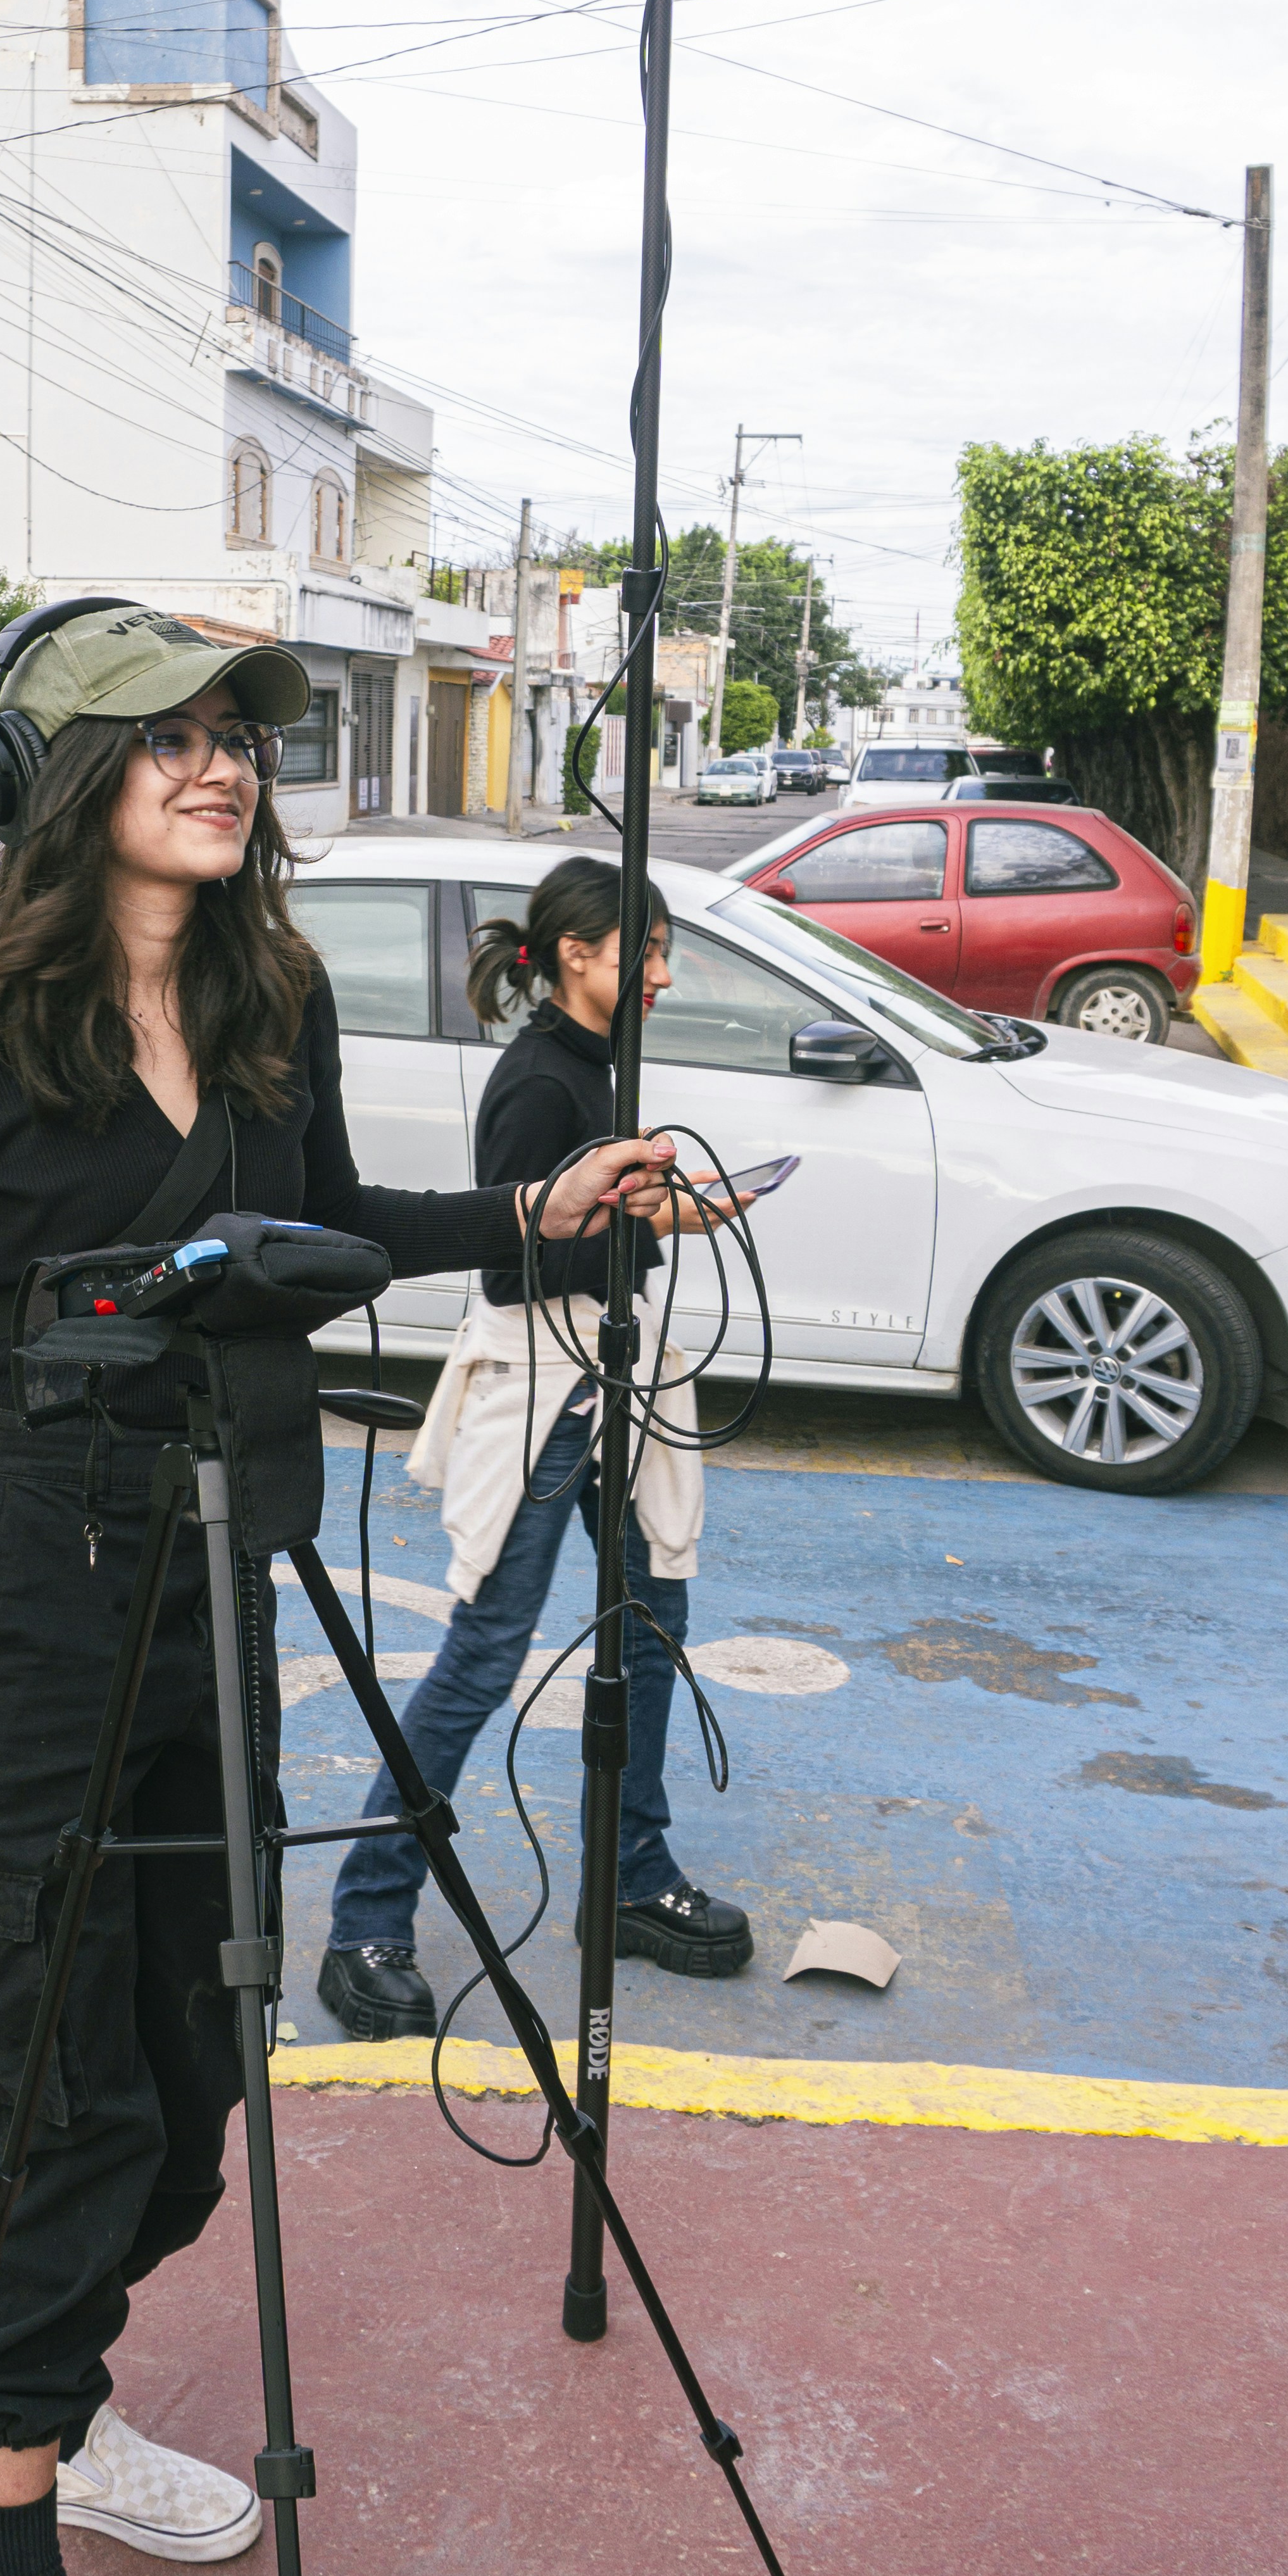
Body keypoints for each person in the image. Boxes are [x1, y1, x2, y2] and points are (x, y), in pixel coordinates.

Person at [0, 601, 673, 2576]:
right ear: (63, 776)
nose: (222, 764)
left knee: (177, 2060)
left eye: (239, 735)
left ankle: (65, 2391)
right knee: (43, 2098)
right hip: (2, 1608)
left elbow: (322, 1226)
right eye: (166, 736)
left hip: (203, 1582)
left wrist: (537, 1213)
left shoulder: (270, 1006)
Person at [316, 854, 754, 2045]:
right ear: (574, 956)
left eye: (664, 954)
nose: (660, 976)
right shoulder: (538, 1080)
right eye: (643, 953)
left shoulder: (607, 1067)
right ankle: (367, 1914)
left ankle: (632, 1873)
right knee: (484, 1653)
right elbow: (512, 1261)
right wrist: (655, 1211)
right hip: (550, 1387)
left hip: (626, 1372)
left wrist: (662, 1211)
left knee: (650, 1625)